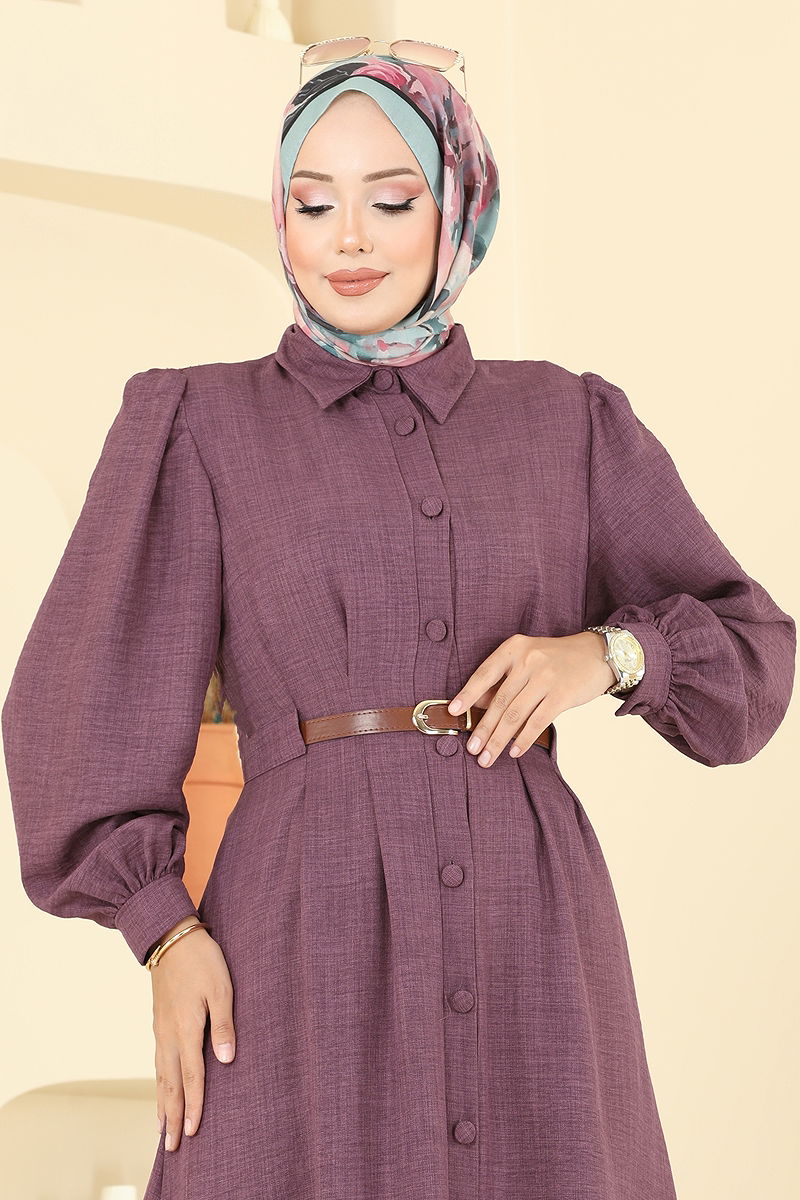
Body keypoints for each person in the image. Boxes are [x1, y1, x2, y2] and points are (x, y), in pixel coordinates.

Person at [2, 48, 795, 1200]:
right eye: (312, 203)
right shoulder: (201, 423)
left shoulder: (564, 421)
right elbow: (77, 710)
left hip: (530, 922)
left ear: (456, 208)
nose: (348, 240)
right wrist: (163, 933)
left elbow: (752, 656)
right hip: (295, 928)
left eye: (390, 200)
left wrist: (605, 655)